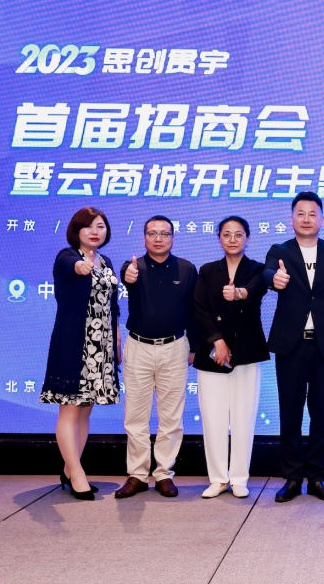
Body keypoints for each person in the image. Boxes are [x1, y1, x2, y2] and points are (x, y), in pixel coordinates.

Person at [263, 192, 324, 503]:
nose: (306, 219)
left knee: (321, 412)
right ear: (291, 219)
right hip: (290, 345)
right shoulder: (280, 251)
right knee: (290, 413)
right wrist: (274, 278)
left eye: (312, 214)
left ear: (322, 220)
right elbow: (266, 273)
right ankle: (292, 477)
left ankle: (317, 477)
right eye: (300, 213)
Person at [114, 215, 198, 499]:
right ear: (144, 238)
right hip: (139, 346)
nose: (158, 238)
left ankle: (164, 474)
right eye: (152, 233)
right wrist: (127, 274)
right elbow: (127, 275)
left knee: (171, 417)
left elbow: (194, 311)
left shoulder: (187, 269)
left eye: (164, 233)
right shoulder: (133, 267)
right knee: (135, 416)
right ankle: (137, 475)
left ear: (173, 238)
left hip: (175, 347)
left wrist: (194, 347)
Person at [40, 207, 120, 500]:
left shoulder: (106, 261)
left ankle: (69, 468)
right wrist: (80, 266)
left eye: (100, 226)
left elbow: (112, 305)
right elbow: (71, 266)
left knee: (86, 408)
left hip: (102, 345)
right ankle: (78, 474)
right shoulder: (67, 256)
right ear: (76, 231)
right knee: (70, 409)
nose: (95, 232)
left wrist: (116, 339)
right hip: (75, 343)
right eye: (88, 227)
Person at [194, 216, 269, 500]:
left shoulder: (258, 269)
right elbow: (199, 309)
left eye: (239, 234)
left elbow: (255, 291)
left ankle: (239, 478)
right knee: (212, 418)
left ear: (248, 238)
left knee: (243, 417)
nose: (233, 239)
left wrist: (238, 293)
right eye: (227, 234)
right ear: (219, 239)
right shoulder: (207, 270)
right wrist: (218, 342)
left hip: (246, 353)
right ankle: (218, 478)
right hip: (212, 354)